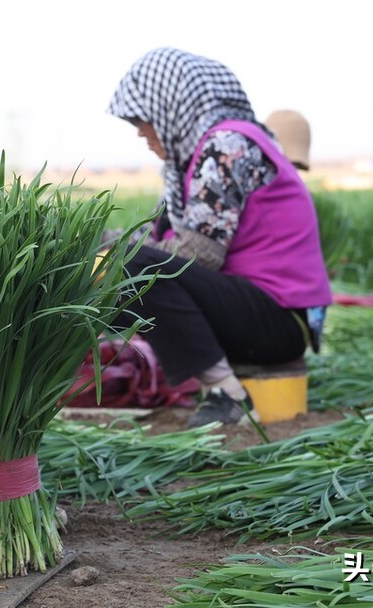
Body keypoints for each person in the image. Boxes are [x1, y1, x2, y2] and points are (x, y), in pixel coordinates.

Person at [106, 47, 332, 427]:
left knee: (134, 266)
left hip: (279, 319)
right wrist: (92, 241)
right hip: (259, 312)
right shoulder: (192, 160)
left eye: (143, 119)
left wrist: (117, 253)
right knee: (126, 260)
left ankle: (228, 395)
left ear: (172, 105)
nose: (142, 133)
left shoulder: (226, 146)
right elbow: (159, 234)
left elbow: (197, 254)